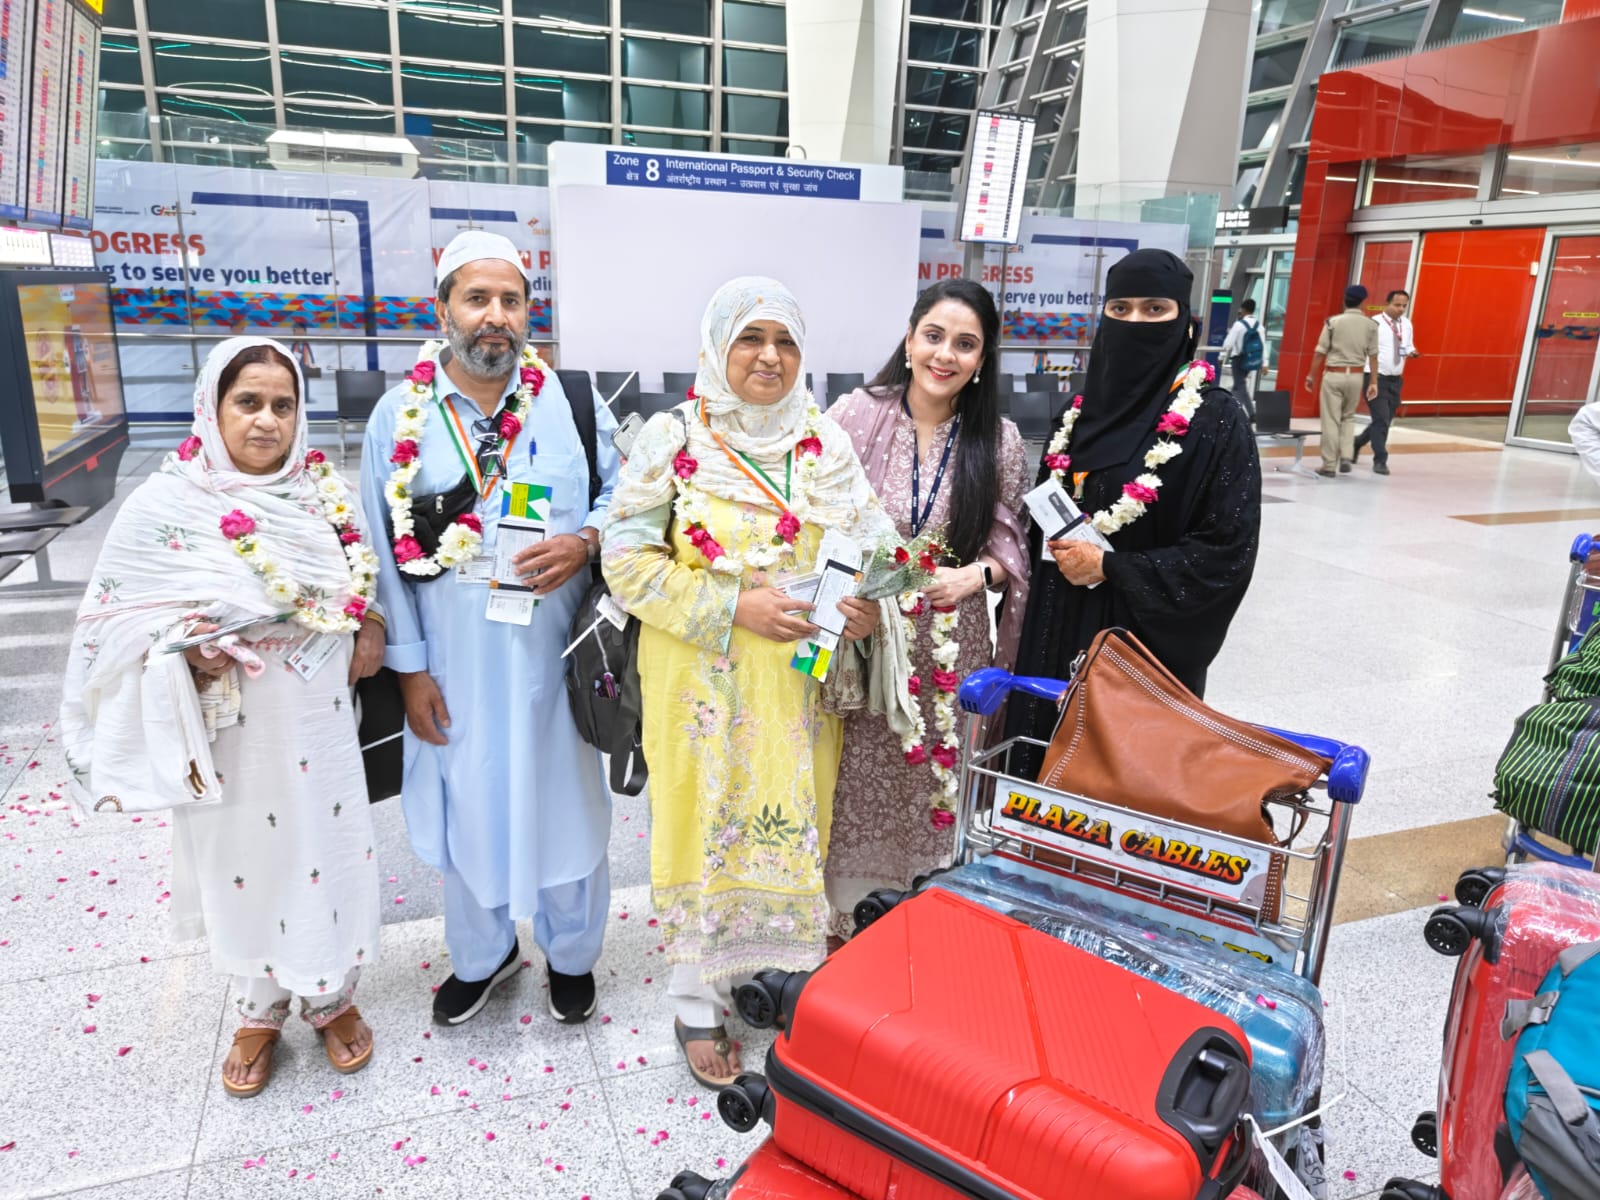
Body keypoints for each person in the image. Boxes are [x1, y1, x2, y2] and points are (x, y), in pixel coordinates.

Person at [59, 338, 386, 1098]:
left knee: (324, 842)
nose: (267, 421)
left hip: (316, 711)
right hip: (229, 722)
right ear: (212, 406)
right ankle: (258, 1007)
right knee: (244, 857)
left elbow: (358, 585)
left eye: (282, 405)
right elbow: (114, 622)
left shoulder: (322, 496)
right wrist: (181, 653)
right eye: (248, 403)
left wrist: (368, 624)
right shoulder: (169, 504)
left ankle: (330, 994)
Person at [603, 276, 898, 1089]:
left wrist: (868, 607)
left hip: (798, 686)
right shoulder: (672, 440)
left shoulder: (825, 444)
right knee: (704, 826)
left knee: (786, 822)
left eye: (785, 342)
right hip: (699, 684)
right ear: (716, 346)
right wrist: (736, 606)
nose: (769, 357)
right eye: (750, 339)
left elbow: (878, 552)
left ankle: (770, 981)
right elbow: (624, 561)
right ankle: (697, 998)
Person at [359, 231, 619, 1028]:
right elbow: (379, 549)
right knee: (469, 805)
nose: (495, 317)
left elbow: (627, 499)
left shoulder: (571, 401)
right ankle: (482, 956)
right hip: (454, 665)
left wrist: (586, 541)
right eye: (477, 299)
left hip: (556, 661)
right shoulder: (396, 416)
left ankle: (572, 955)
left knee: (566, 806)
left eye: (511, 300)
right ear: (443, 310)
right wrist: (408, 671)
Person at [1004, 249, 1262, 776]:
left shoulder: (1214, 420)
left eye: (1154, 309)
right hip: (1056, 628)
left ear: (1184, 324)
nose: (1135, 322)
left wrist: (1111, 568)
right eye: (1120, 309)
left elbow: (1227, 553)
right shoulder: (1077, 415)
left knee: (1126, 795)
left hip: (1141, 647)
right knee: (1043, 781)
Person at [824, 279, 1031, 935]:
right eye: (934, 336)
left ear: (982, 360)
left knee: (931, 787)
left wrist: (978, 574)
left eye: (966, 345)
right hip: (864, 640)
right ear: (910, 339)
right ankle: (840, 916)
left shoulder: (996, 439)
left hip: (949, 642)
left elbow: (1010, 541)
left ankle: (921, 912)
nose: (946, 355)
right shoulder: (854, 414)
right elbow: (810, 520)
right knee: (852, 784)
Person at [1305, 285, 1379, 478]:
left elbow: (1320, 351)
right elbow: (1373, 356)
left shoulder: (1333, 322)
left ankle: (1329, 465)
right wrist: (1373, 382)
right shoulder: (1371, 325)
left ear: (1345, 300)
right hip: (1356, 376)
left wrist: (1311, 375)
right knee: (1349, 417)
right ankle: (1346, 455)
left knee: (1330, 419)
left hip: (1334, 375)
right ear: (1364, 302)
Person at [1353, 290, 1419, 476]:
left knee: (1384, 421)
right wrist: (1372, 377)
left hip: (1396, 378)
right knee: (1381, 420)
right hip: (1375, 377)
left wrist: (1412, 352)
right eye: (1397, 305)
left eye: (1404, 306)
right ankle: (1380, 460)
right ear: (1387, 303)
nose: (1401, 309)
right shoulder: (1374, 323)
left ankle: (1357, 443)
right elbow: (1364, 350)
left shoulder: (1406, 324)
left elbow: (1408, 345)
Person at [1219, 298, 1262, 421]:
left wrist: (1221, 356)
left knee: (1240, 385)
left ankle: (1251, 413)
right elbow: (1262, 343)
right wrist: (1265, 362)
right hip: (1251, 359)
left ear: (1243, 309)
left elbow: (1229, 342)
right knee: (1238, 386)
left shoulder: (1239, 324)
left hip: (1238, 359)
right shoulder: (1259, 325)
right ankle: (1230, 410)